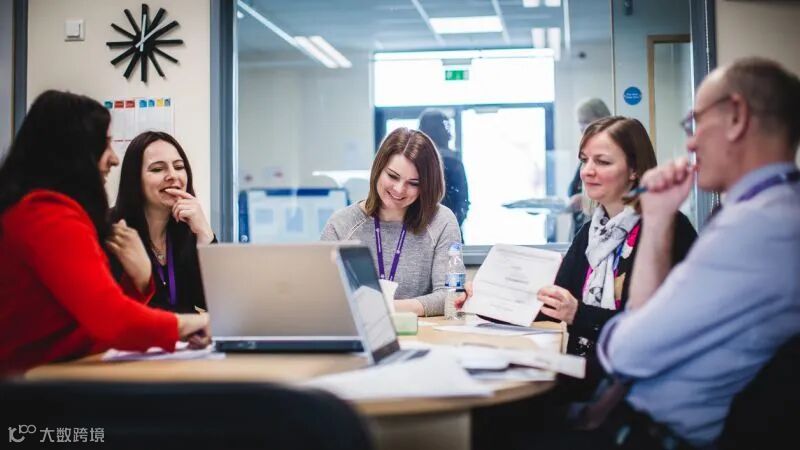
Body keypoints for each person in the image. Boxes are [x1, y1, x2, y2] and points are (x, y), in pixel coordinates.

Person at [538, 57, 800, 450]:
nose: (691, 143)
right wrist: (658, 215)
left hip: (653, 432)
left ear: (737, 117)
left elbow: (627, 352)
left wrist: (592, 320)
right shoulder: (768, 213)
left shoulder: (754, 228)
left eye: (696, 122)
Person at [0, 91, 209, 376]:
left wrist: (203, 237)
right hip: (32, 380)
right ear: (74, 149)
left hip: (63, 370)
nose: (113, 159)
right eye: (105, 144)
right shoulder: (47, 214)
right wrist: (192, 324)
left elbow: (96, 325)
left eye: (179, 166)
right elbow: (112, 321)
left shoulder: (48, 212)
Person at [321, 127, 464, 316]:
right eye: (392, 176)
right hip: (360, 331)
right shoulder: (341, 225)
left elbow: (450, 296)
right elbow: (321, 296)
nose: (399, 189)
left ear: (426, 186)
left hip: (420, 331)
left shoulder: (441, 221)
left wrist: (385, 307)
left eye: (413, 183)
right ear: (378, 170)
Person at [111, 131, 215, 314]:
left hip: (189, 333)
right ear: (134, 179)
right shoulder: (112, 230)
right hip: (140, 333)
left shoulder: (189, 229)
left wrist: (205, 236)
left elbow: (216, 301)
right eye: (157, 169)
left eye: (179, 167)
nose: (173, 175)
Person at [567, 99, 612, 237]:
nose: (582, 128)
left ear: (603, 120)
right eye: (579, 123)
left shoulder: (611, 150)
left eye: (586, 122)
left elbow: (615, 194)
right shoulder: (589, 151)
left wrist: (586, 200)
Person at [418, 109, 470, 227]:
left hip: (429, 229)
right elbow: (462, 204)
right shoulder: (454, 163)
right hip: (436, 229)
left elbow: (462, 204)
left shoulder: (453, 164)